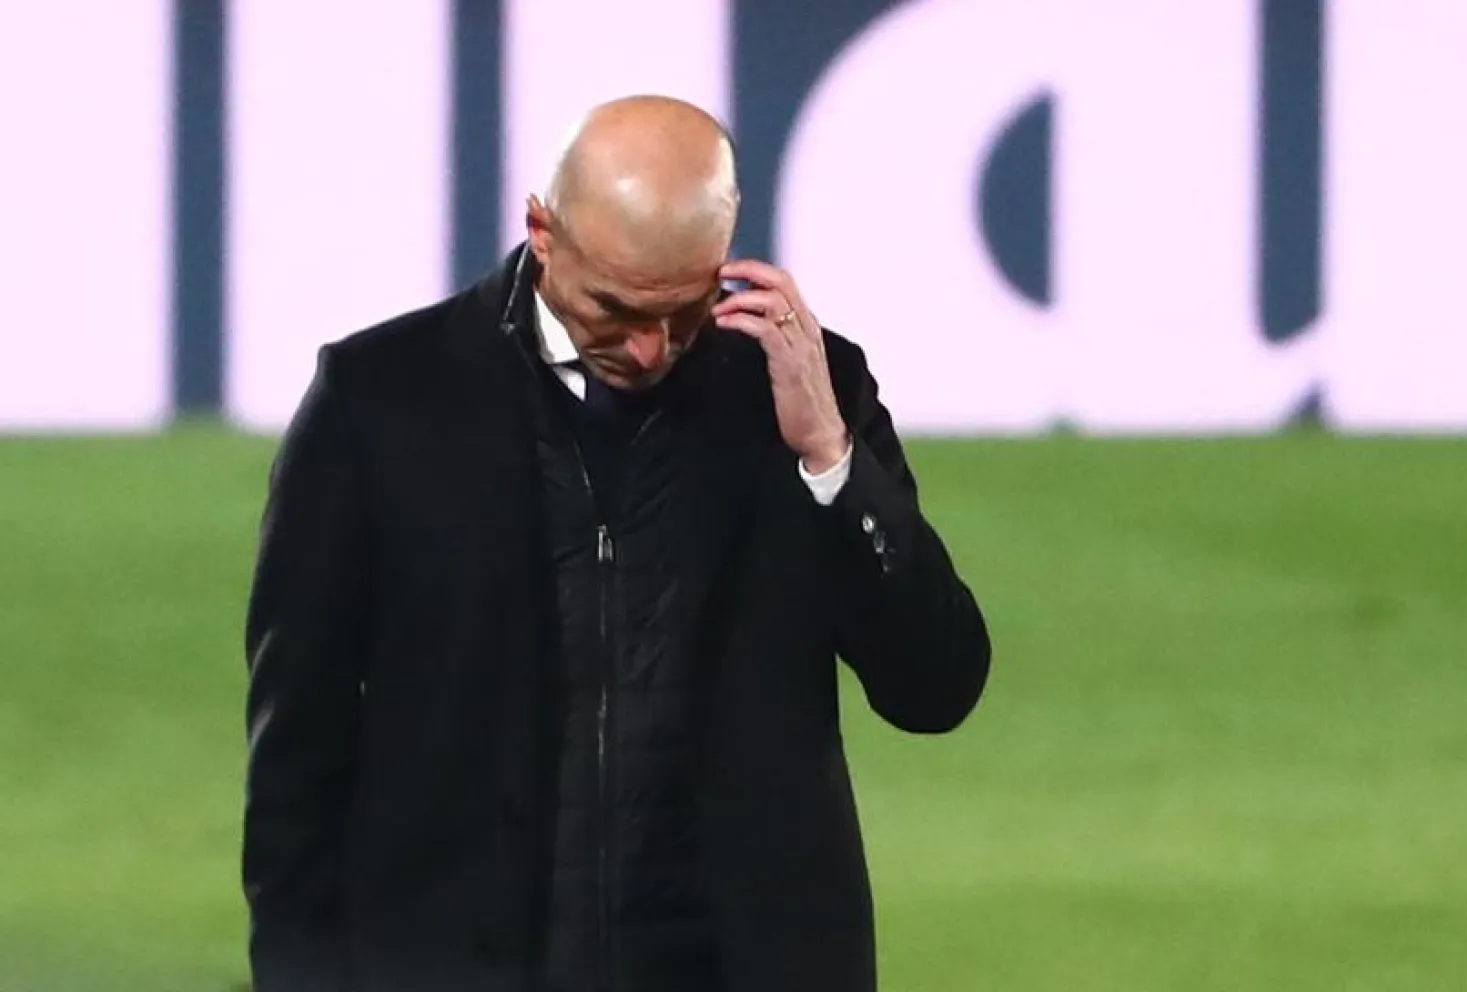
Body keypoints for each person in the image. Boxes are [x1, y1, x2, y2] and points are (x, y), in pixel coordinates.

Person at [242, 94, 991, 992]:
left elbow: (936, 686)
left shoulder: (800, 394)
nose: (647, 351)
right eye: (617, 310)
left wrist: (831, 458)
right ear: (541, 230)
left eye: (683, 311)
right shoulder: (380, 402)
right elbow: (298, 754)